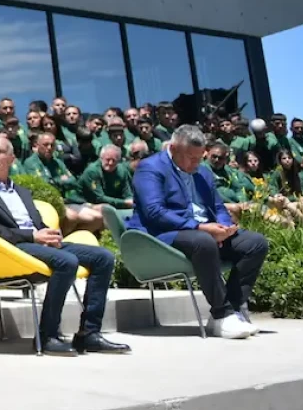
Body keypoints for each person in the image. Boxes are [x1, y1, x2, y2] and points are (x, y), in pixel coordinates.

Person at [0, 135, 126, 357]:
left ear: (11, 159)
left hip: (36, 243)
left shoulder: (22, 191)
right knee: (66, 261)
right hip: (9, 248)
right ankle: (48, 335)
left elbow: (36, 223)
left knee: (103, 257)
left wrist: (50, 233)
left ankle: (89, 333)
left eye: (0, 152)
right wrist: (32, 236)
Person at [127, 125, 269, 338]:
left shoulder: (202, 171)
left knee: (256, 243)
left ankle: (232, 309)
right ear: (173, 148)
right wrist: (201, 228)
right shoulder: (150, 168)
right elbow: (154, 212)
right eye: (190, 158)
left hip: (204, 233)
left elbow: (217, 206)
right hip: (162, 235)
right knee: (203, 241)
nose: (195, 163)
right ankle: (221, 313)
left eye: (199, 158)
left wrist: (224, 228)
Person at [17, 132, 100, 232]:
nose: (49, 147)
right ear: (37, 145)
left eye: (52, 145)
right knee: (72, 217)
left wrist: (55, 181)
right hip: (47, 203)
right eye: (45, 144)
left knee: (97, 218)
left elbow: (73, 181)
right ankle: (62, 240)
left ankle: (72, 238)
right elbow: (44, 184)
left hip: (65, 201)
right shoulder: (30, 162)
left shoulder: (58, 162)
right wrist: (61, 180)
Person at [77, 144, 133, 210]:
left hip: (112, 205)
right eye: (108, 159)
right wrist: (124, 203)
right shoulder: (92, 171)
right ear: (101, 158)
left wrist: (130, 201)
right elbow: (99, 198)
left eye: (114, 160)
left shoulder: (122, 171)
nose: (110, 163)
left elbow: (127, 192)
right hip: (86, 204)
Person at [207, 141, 254, 220]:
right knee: (235, 208)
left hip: (236, 202)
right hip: (217, 204)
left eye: (220, 158)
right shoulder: (203, 169)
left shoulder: (228, 171)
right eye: (214, 157)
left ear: (225, 159)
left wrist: (242, 200)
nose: (216, 160)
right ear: (208, 155)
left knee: (254, 206)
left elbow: (238, 188)